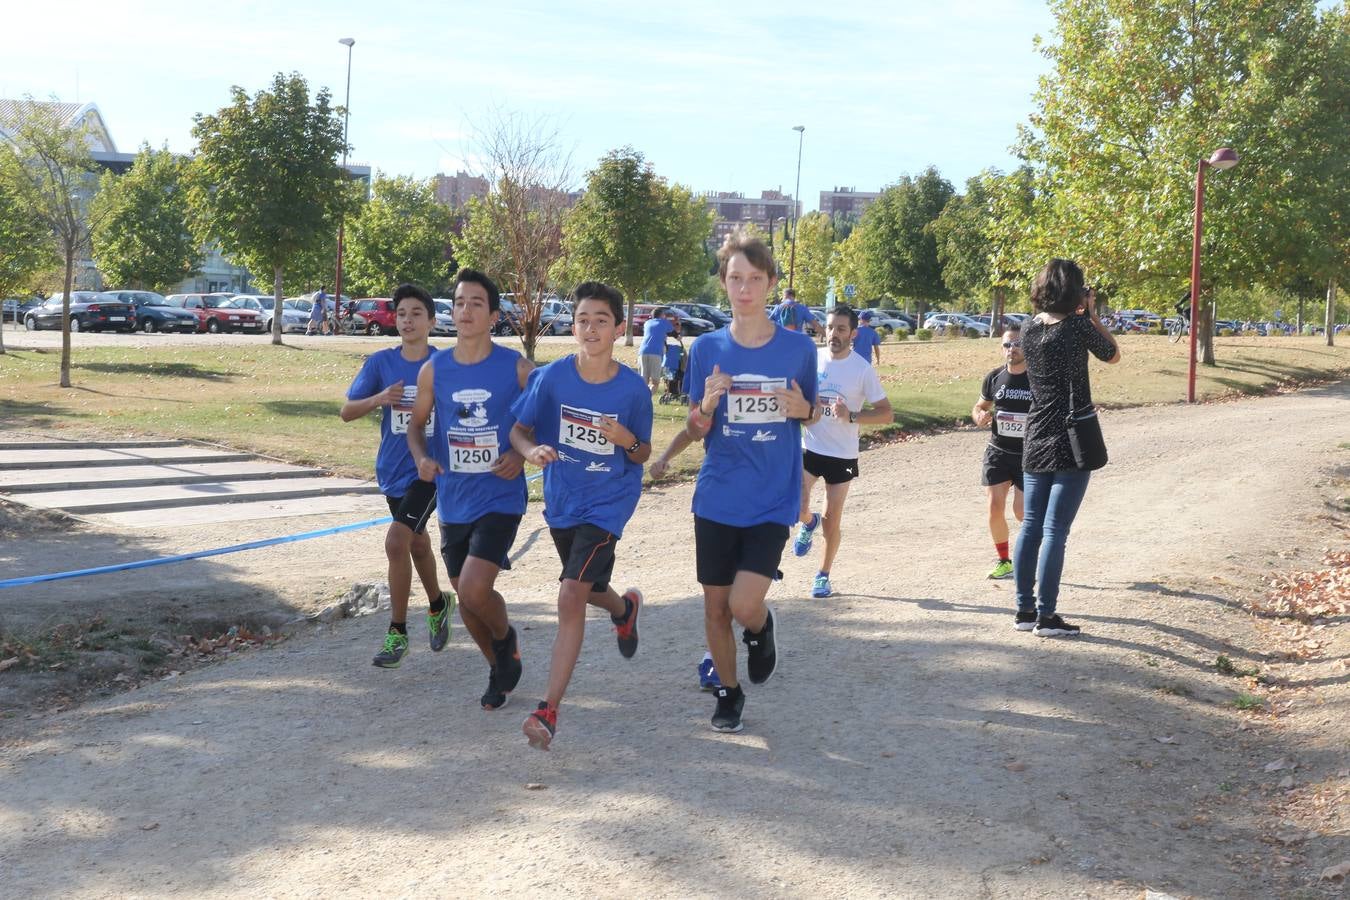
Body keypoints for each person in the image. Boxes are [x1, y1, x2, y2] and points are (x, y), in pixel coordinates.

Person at [651, 230, 816, 734]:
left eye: (755, 279)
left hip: (771, 496)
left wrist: (803, 409)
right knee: (716, 608)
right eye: (735, 278)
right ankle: (728, 692)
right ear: (724, 283)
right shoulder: (706, 348)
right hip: (718, 495)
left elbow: (810, 416)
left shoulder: (797, 349)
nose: (745, 288)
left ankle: (761, 628)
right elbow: (698, 431)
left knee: (745, 605)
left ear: (769, 284)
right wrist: (704, 406)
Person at [509, 281, 652, 751]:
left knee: (571, 594)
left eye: (601, 320)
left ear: (618, 328)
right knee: (587, 587)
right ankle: (623, 609)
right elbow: (518, 430)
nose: (591, 328)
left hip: (609, 502)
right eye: (583, 319)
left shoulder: (632, 389)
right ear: (573, 326)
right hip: (563, 500)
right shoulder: (551, 379)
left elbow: (641, 453)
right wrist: (532, 451)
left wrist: (624, 438)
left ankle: (547, 710)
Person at [407, 268, 532, 709]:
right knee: (465, 602)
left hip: (500, 495)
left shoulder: (516, 367)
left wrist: (520, 455)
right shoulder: (434, 369)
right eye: (459, 302)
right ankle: (499, 668)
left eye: (476, 303)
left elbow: (543, 419)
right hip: (454, 500)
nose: (465, 310)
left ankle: (505, 637)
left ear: (493, 314)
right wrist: (422, 458)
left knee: (476, 590)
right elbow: (416, 427)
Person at [340, 283, 452, 668]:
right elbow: (347, 411)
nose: (408, 320)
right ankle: (438, 604)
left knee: (396, 541)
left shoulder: (446, 364)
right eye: (402, 313)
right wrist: (380, 399)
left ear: (432, 321)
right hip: (392, 471)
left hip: (431, 471)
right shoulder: (380, 363)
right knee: (416, 544)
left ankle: (397, 633)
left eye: (416, 314)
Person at [1014, 259, 1121, 636]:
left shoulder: (1027, 328)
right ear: (1074, 291)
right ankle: (1047, 615)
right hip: (1071, 435)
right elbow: (1112, 354)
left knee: (1031, 526)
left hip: (1036, 430)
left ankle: (1025, 611)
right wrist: (1092, 314)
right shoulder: (1076, 327)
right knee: (1055, 529)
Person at [792, 305, 892, 598]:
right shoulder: (813, 358)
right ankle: (806, 522)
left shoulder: (862, 369)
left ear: (853, 334)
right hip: (809, 445)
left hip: (842, 455)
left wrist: (851, 416)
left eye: (841, 329)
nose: (833, 334)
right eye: (830, 327)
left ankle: (823, 575)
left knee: (832, 518)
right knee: (796, 503)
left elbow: (886, 414)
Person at [971, 323, 1030, 582]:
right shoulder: (994, 377)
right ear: (1001, 348)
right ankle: (1004, 561)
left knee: (1021, 512)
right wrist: (980, 416)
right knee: (995, 508)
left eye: (1017, 343)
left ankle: (1031, 557)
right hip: (998, 451)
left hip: (1029, 455)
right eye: (1007, 344)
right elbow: (979, 406)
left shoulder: (1037, 377)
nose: (1012, 349)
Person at [638, 307, 676, 394]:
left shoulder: (647, 323)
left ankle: (640, 398)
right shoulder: (664, 322)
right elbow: (673, 333)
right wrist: (678, 337)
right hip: (655, 353)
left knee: (644, 380)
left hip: (642, 352)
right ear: (662, 315)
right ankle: (646, 398)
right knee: (655, 382)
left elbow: (654, 333)